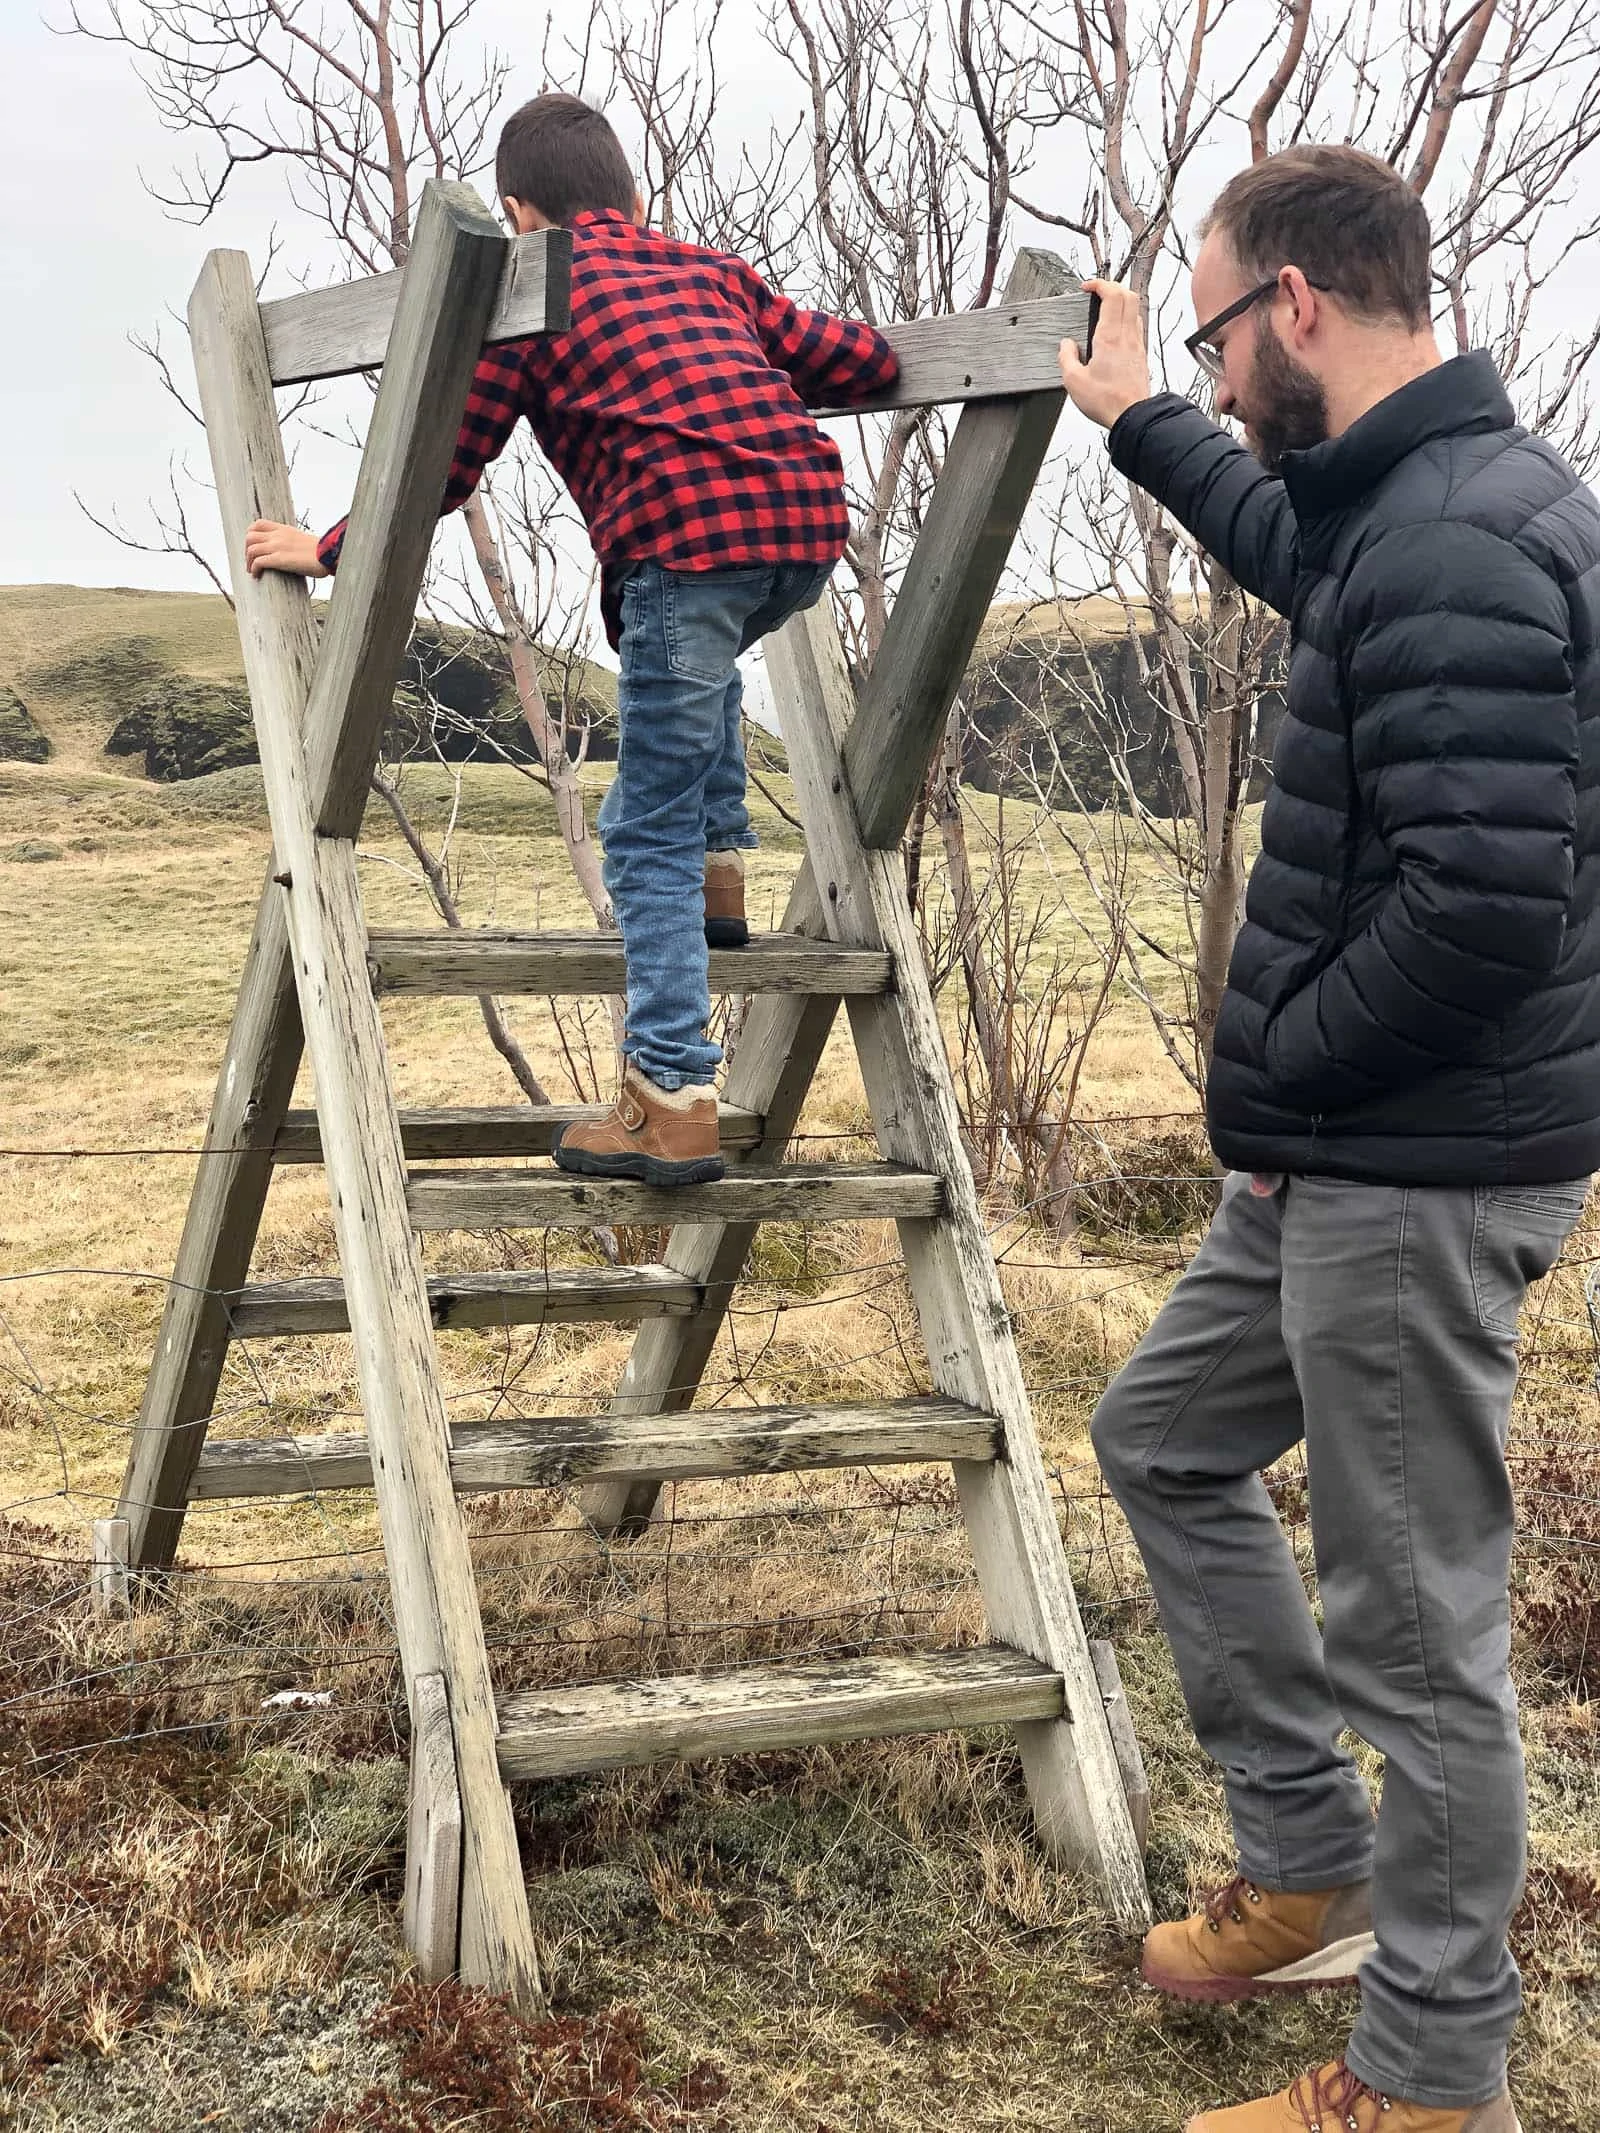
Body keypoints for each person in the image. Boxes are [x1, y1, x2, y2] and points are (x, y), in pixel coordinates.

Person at [1058, 143, 1600, 2133]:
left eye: (1208, 334)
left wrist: (1279, 1063)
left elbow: (1472, 908)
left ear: (1290, 303)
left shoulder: (1456, 537)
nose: (1210, 377)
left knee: (1416, 1630)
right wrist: (1133, 430)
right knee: (1165, 1438)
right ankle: (1308, 1867)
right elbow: (1295, 545)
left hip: (1408, 1168)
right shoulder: (1412, 507)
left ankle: (1427, 2073)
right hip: (1353, 1147)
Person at [246, 93, 898, 1185]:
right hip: (804, 535)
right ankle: (719, 875)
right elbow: (862, 364)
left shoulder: (526, 291)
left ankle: (670, 1098)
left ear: (516, 213)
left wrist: (332, 547)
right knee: (708, 668)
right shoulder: (709, 271)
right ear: (635, 199)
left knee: (640, 831)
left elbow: (444, 465)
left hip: (681, 550)